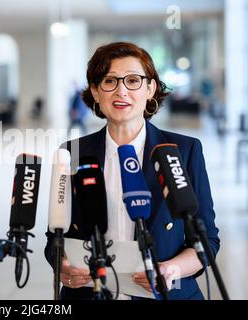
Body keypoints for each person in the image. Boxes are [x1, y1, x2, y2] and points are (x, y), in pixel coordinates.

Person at [45, 42, 220, 300]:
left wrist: (171, 269)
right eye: (109, 81)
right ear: (95, 91)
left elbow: (207, 241)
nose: (121, 91)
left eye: (133, 80)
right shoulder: (72, 152)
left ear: (151, 88)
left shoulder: (183, 151)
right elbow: (54, 237)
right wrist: (62, 266)